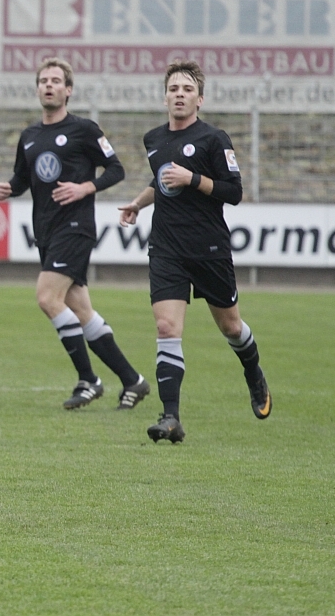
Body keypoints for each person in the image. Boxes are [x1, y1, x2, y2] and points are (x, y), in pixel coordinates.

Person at [119, 60, 271, 444]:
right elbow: (161, 181)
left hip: (209, 248)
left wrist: (194, 179)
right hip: (167, 248)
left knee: (231, 328)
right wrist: (138, 203)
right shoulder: (153, 139)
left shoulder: (214, 139)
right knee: (166, 328)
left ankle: (253, 372)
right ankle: (170, 417)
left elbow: (233, 193)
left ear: (199, 99)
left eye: (187, 89)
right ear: (165, 96)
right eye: (174, 89)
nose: (180, 95)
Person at [0, 58, 150, 410]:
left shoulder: (84, 130)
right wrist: (10, 188)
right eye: (43, 81)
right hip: (46, 231)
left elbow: (117, 170)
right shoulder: (29, 136)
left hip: (76, 227)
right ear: (37, 89)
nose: (49, 85)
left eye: (56, 80)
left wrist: (85, 188)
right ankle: (133, 380)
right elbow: (23, 179)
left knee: (47, 298)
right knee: (81, 310)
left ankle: (89, 380)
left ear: (68, 90)